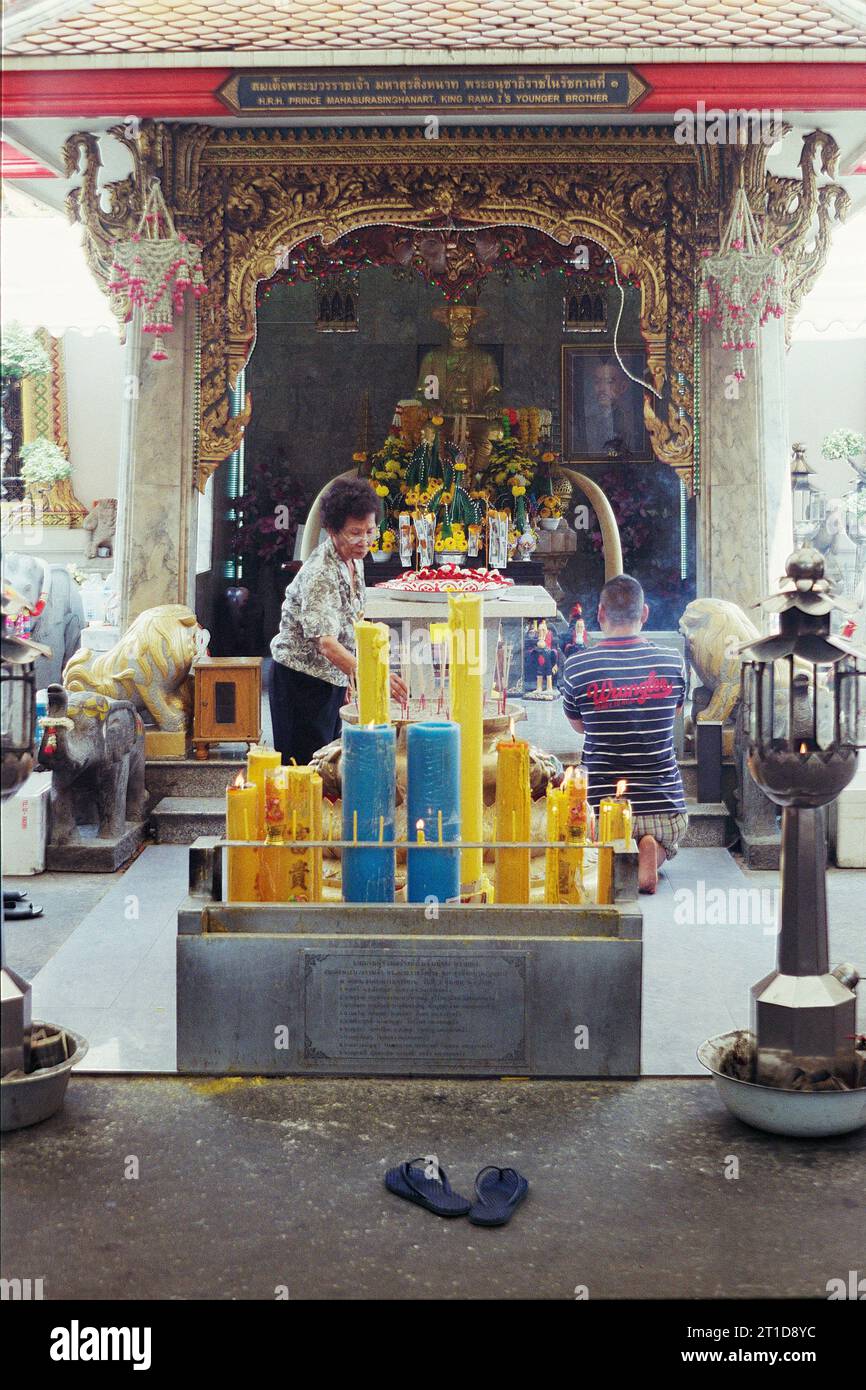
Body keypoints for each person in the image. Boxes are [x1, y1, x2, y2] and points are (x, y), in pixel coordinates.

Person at [561, 574, 688, 894]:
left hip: (599, 815)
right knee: (668, 831)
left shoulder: (578, 667)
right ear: (644, 613)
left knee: (587, 839)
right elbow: (673, 715)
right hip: (664, 810)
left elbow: (580, 726)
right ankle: (652, 851)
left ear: (600, 614)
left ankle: (623, 850)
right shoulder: (673, 663)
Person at [269, 477, 408, 765]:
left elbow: (348, 625)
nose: (365, 541)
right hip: (301, 682)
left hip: (329, 678)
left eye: (370, 530)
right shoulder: (321, 571)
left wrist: (346, 679)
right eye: (355, 533)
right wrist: (373, 677)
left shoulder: (353, 558)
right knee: (305, 771)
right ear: (332, 530)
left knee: (330, 766)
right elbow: (328, 645)